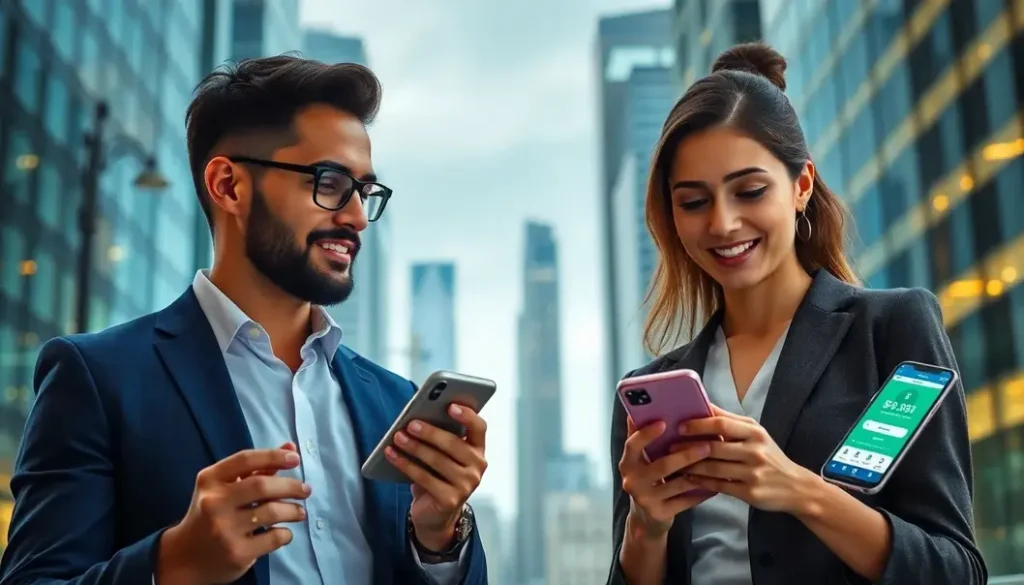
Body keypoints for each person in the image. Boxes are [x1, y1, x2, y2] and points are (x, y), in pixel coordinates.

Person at [0, 56, 490, 585]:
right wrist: (171, 564)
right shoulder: (98, 378)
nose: (355, 217)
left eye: (365, 192)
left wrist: (438, 539)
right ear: (229, 186)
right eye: (329, 182)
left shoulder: (395, 403)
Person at [607, 42, 986, 585]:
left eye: (749, 191)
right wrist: (645, 526)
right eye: (693, 201)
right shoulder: (648, 391)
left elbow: (956, 571)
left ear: (801, 186)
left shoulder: (890, 331)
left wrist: (799, 490)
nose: (723, 223)